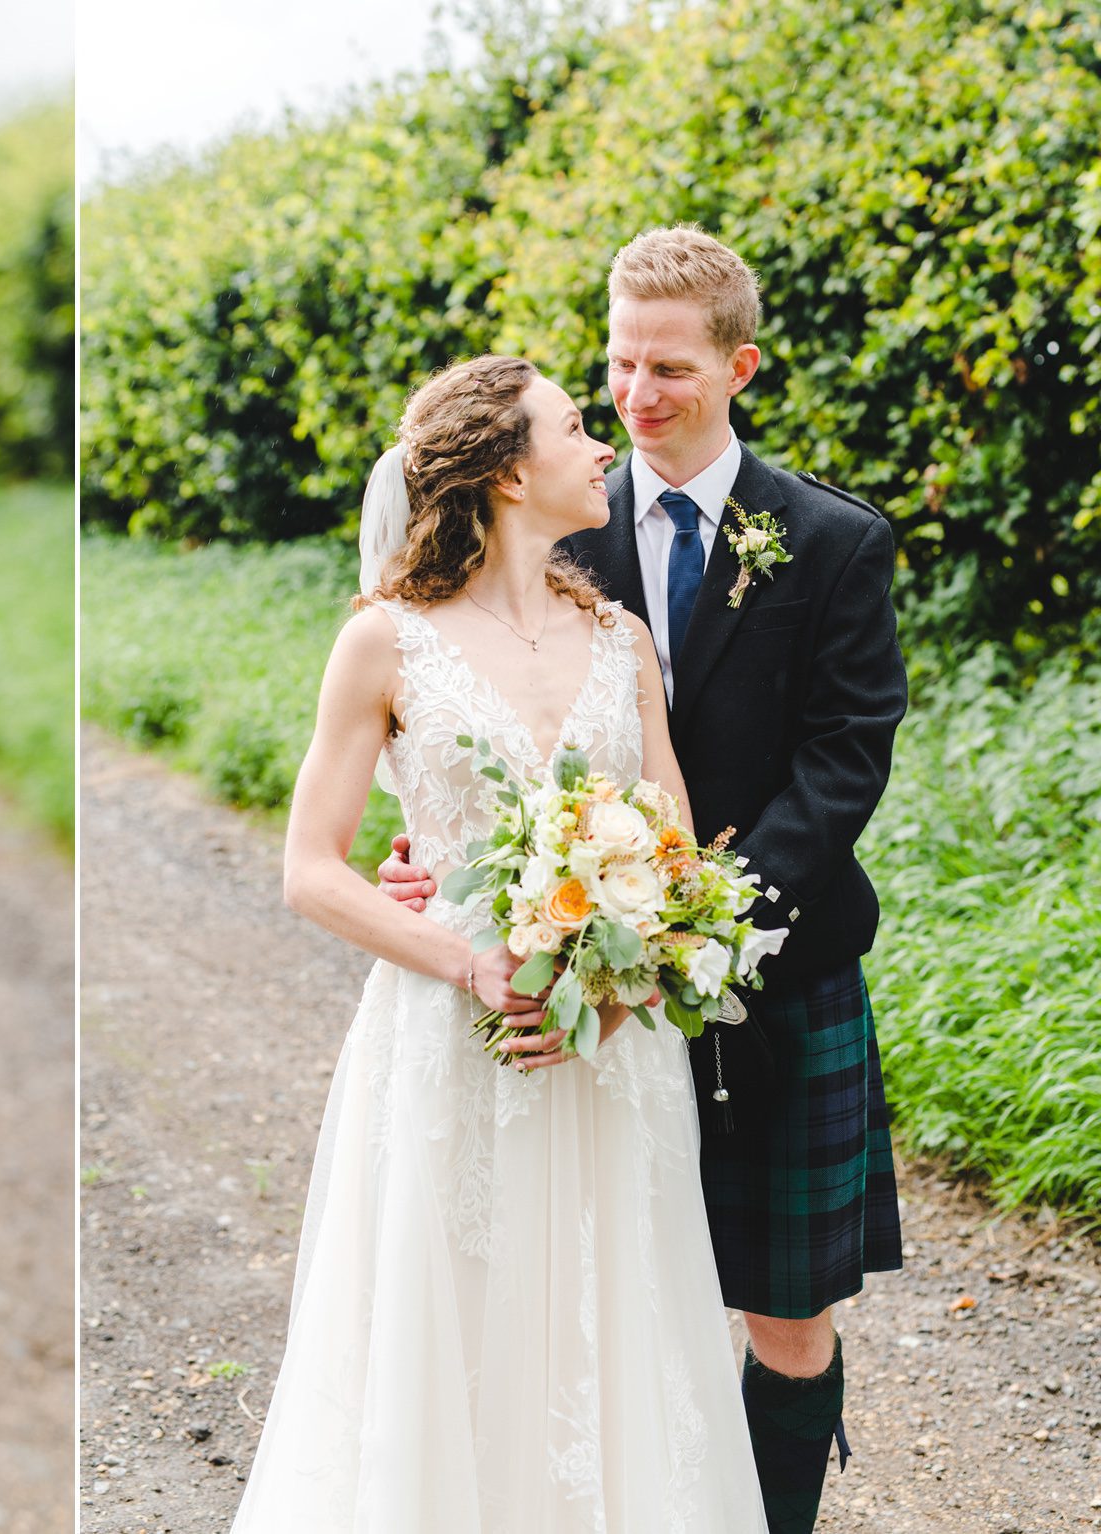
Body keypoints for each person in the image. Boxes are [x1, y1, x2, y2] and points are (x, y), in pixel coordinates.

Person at [378, 228, 906, 1534]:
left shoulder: (833, 541)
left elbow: (843, 769)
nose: (636, 392)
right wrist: (436, 857)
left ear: (741, 365)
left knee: (786, 1308)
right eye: (617, 361)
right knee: (610, 1289)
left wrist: (686, 926)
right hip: (579, 978)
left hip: (779, 970)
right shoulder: (554, 523)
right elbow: (468, 703)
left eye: (669, 366)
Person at [233, 354, 766, 1530]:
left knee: (616, 1313)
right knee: (456, 1323)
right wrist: (467, 961)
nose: (599, 448)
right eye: (574, 427)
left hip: (611, 1043)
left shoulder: (620, 640)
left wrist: (636, 975)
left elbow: (673, 835)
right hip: (453, 1028)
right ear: (507, 471)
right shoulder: (384, 641)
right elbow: (309, 867)